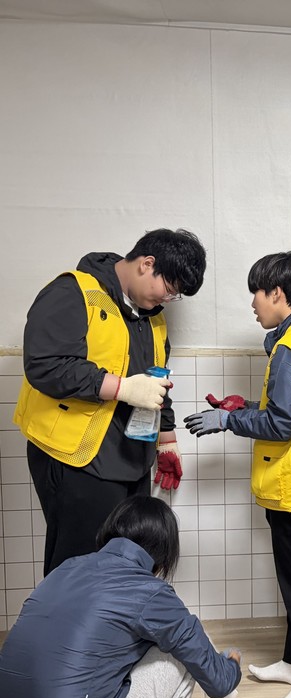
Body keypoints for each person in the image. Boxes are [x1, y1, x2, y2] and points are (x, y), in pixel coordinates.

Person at [183, 250, 291, 698]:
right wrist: (244, 408)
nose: (253, 304)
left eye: (256, 294)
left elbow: (282, 424)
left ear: (277, 293)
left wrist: (228, 421)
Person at [0, 495, 241, 698]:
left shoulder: (64, 569)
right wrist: (232, 664)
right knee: (183, 650)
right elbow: (218, 681)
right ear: (165, 551)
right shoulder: (150, 591)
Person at [14, 228, 207, 576]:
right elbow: (45, 365)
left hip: (131, 458)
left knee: (125, 564)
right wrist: (120, 387)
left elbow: (157, 382)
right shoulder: (73, 292)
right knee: (79, 566)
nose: (167, 300)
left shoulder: (153, 316)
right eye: (169, 288)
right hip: (77, 457)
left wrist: (166, 440)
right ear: (147, 264)